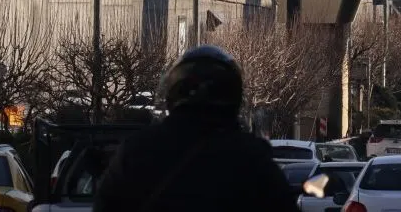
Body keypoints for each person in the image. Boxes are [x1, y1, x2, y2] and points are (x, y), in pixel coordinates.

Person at [93, 45, 297, 212]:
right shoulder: (252, 159)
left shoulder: (136, 151)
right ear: (233, 97)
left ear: (173, 94)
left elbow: (106, 205)